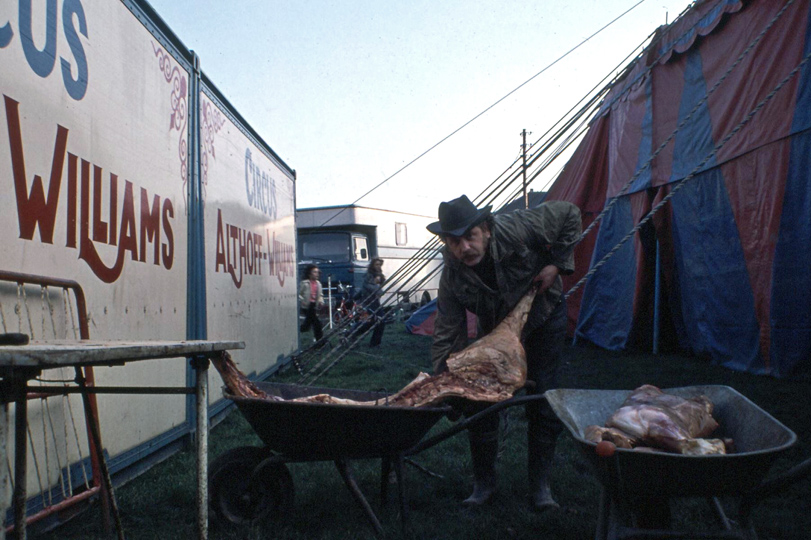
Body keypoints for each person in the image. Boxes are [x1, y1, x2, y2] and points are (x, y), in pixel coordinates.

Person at [426, 194, 581, 511]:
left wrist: (556, 264)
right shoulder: (452, 275)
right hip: (496, 332)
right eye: (454, 242)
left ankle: (540, 488)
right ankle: (484, 485)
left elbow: (569, 213)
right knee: (480, 400)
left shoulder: (517, 227)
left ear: (486, 229)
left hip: (542, 318)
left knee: (542, 398)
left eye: (470, 237)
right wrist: (445, 382)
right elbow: (446, 329)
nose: (464, 248)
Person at [361, 257, 386, 347]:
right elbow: (374, 289)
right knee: (370, 322)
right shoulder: (368, 276)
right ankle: (350, 334)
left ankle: (375, 343)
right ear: (372, 265)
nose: (378, 266)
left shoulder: (379, 276)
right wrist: (376, 284)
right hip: (368, 302)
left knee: (379, 321)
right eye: (376, 264)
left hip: (375, 302)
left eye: (379, 264)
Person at [299, 264, 324, 343]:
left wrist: (320, 301)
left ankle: (300, 329)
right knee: (317, 323)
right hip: (306, 306)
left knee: (309, 324)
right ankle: (320, 342)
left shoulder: (318, 284)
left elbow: (320, 295)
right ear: (309, 274)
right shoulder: (304, 283)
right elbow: (299, 293)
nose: (316, 274)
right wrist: (302, 301)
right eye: (314, 272)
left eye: (317, 272)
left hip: (313, 305)